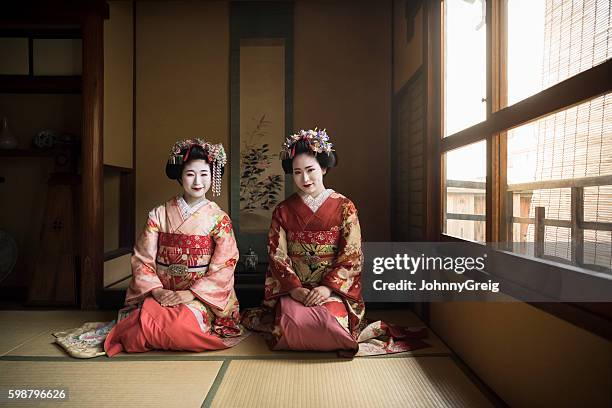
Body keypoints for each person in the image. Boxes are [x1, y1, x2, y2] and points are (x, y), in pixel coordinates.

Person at [242, 129, 428, 356]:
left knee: (331, 325)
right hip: (295, 288)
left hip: (332, 289)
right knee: (290, 327)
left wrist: (327, 287)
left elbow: (352, 254)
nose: (305, 178)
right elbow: (277, 254)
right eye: (297, 172)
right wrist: (295, 289)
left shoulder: (344, 206)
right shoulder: (283, 210)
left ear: (323, 167)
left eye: (310, 170)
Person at [103, 139, 246, 356]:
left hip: (201, 297)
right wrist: (158, 291)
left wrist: (191, 294)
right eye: (190, 174)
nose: (198, 181)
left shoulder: (219, 219)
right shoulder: (159, 214)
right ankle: (153, 320)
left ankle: (165, 324)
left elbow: (225, 265)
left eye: (204, 174)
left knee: (181, 328)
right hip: (162, 292)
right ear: (179, 176)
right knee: (136, 336)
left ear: (212, 176)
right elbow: (143, 259)